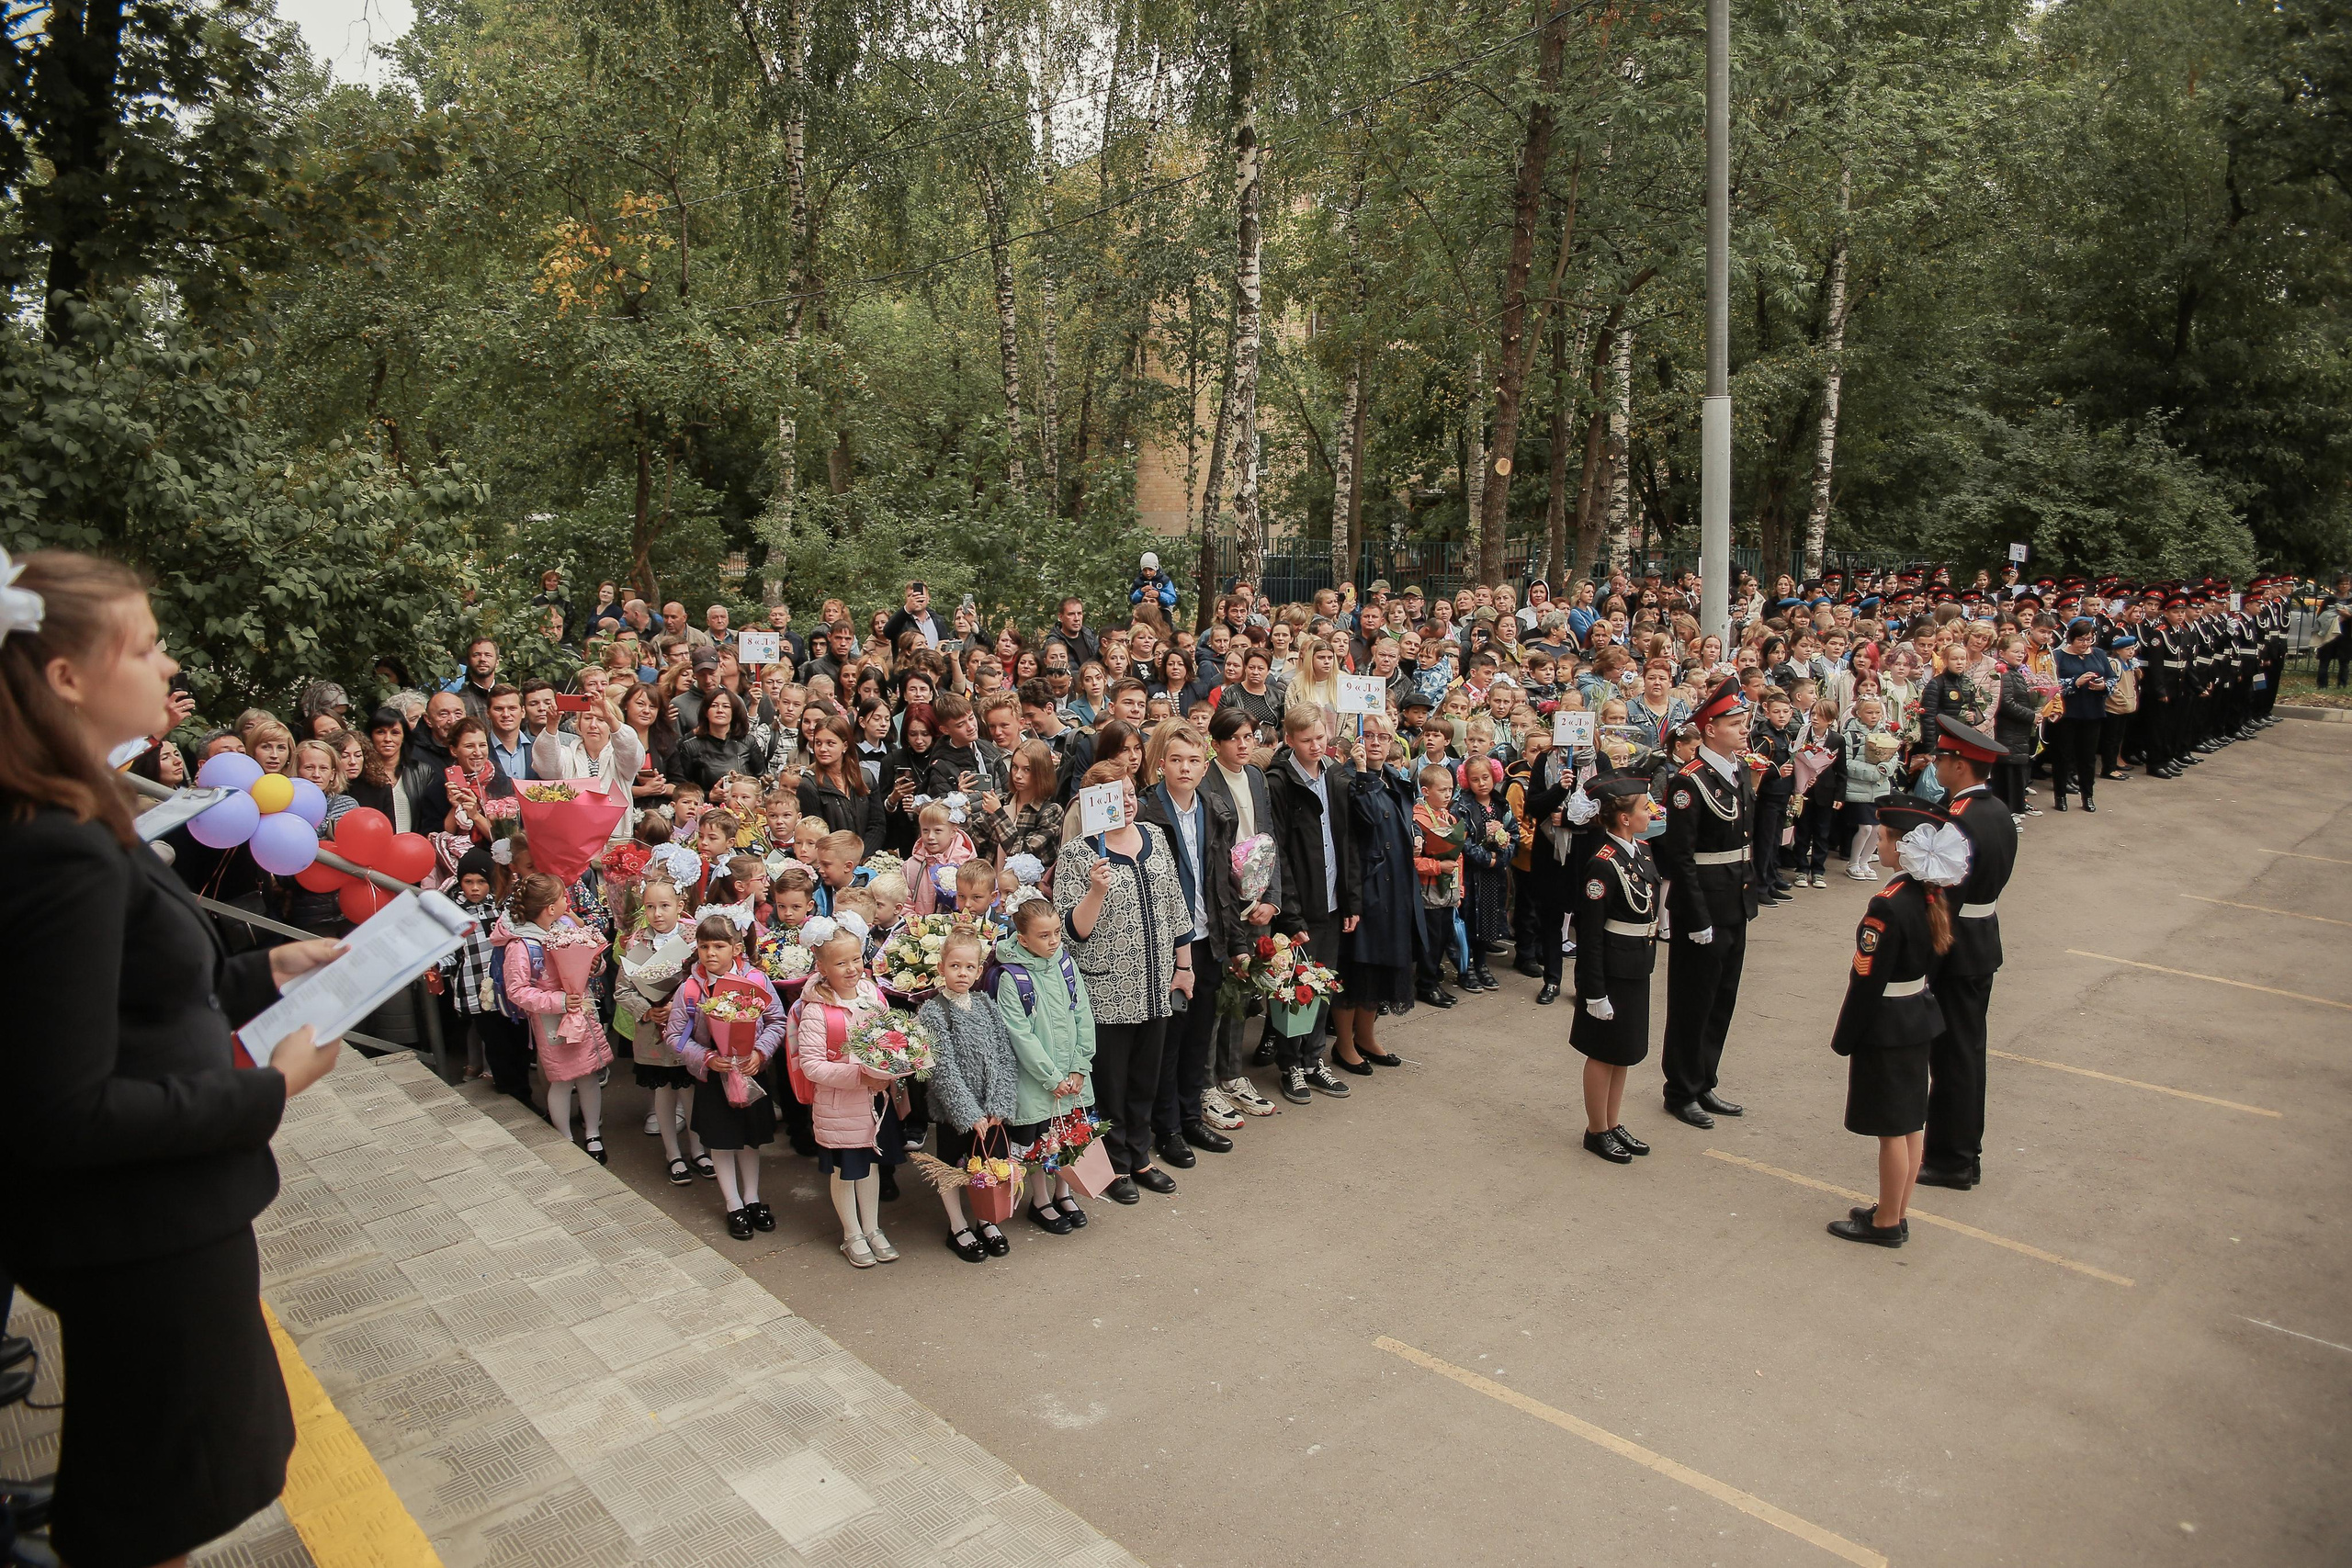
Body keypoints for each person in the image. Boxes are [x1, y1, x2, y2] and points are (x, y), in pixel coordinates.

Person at [0, 548, 346, 1568]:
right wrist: (265, 1088)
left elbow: (127, 999)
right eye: (145, 647)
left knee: (173, 1475)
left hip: (151, 1224)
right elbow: (59, 1110)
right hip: (140, 1229)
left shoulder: (72, 807)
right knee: (158, 1500)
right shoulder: (55, 842)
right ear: (66, 676)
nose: (166, 667)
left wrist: (265, 969)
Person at [1826, 795, 1972, 1247]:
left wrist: (1845, 1036)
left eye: (1885, 838)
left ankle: (1887, 1222)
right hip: (1917, 1016)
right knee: (1910, 1124)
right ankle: (1897, 1208)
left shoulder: (1887, 904)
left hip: (1887, 1024)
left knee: (1891, 1128)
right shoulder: (1930, 894)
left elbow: (1866, 979)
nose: (1880, 845)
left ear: (1902, 846)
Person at [1054, 763, 1192, 1201]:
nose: (1127, 803)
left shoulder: (1157, 839)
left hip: (1156, 983)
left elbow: (1176, 909)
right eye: (1115, 797)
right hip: (1108, 987)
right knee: (1110, 1081)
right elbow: (1073, 932)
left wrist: (1184, 966)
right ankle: (1114, 1164)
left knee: (1145, 1077)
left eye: (1131, 793)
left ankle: (1140, 1154)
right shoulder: (1078, 855)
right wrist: (1095, 889)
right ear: (1094, 806)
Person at [1136, 719, 1250, 1161]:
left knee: (1198, 1039)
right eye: (1177, 760)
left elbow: (1224, 883)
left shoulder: (1216, 808)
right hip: (1165, 947)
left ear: (1206, 766)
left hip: (1207, 940)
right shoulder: (1148, 812)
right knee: (1169, 1042)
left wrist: (1236, 943)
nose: (1186, 768)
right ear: (1161, 765)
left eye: (1194, 761)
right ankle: (1166, 1129)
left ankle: (1190, 1118)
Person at [1656, 680, 1758, 1130]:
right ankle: (1680, 1089)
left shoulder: (1736, 771)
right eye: (1735, 724)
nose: (1743, 730)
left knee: (1722, 998)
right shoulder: (1689, 781)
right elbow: (1679, 856)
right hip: (1704, 906)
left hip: (1735, 899)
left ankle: (1704, 1079)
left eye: (1743, 722)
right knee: (1693, 1000)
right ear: (1710, 728)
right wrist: (1695, 916)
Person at [1918, 717, 2016, 1191]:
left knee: (1954, 1057)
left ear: (1960, 764)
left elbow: (1943, 893)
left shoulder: (1959, 819)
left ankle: (1951, 1158)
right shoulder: (1995, 809)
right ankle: (1963, 1154)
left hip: (1956, 945)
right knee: (1968, 1051)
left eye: (1941, 758)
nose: (1936, 764)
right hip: (1983, 939)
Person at [673, 912, 792, 1241]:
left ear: (737, 948)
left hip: (750, 1072)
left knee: (750, 1139)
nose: (711, 953)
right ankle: (733, 1203)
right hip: (715, 1076)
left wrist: (760, 1053)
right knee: (722, 1141)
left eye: (719, 945)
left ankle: (752, 1198)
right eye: (703, 946)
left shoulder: (755, 980)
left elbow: (776, 1021)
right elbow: (676, 1037)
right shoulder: (690, 989)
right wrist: (707, 1058)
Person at [1262, 710, 1361, 1105]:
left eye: (1321, 737)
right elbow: (1279, 854)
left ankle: (1313, 1058)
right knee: (1293, 987)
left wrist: (1351, 898)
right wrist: (1291, 914)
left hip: (1333, 900)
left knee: (1323, 986)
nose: (1316, 746)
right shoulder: (1279, 782)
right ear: (1289, 739)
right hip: (1299, 906)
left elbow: (1346, 842)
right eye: (1307, 740)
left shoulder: (1335, 775)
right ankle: (1290, 1065)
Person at [993, 892, 1099, 1234]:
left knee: (1069, 1134)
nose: (1053, 941)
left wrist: (1080, 1065)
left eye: (1056, 932)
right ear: (1022, 939)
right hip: (1037, 1081)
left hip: (1073, 1073)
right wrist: (1052, 1078)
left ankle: (1064, 1192)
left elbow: (1083, 1012)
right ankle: (1039, 1201)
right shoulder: (1012, 977)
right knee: (1040, 1141)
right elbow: (1020, 1036)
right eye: (1043, 935)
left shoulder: (1065, 963)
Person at [1571, 774, 1663, 1164]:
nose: (1651, 812)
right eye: (1644, 808)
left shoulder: (1640, 851)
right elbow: (1590, 934)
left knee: (1624, 1051)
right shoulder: (1601, 865)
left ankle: (1612, 1121)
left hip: (1636, 965)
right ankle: (1596, 1129)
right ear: (1624, 818)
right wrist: (1594, 991)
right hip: (1609, 970)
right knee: (1602, 1051)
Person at [916, 924, 1022, 1262]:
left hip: (989, 1109)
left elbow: (1004, 1055)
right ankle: (957, 1225)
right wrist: (969, 1114)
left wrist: (999, 1104)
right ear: (941, 967)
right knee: (952, 1167)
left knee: (986, 1165)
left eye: (969, 967)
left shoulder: (985, 1005)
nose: (962, 973)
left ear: (979, 970)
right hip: (956, 1111)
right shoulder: (934, 1011)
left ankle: (984, 1218)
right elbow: (942, 1069)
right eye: (955, 966)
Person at [498, 874, 614, 1161]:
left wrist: (594, 964)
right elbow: (517, 990)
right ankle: (564, 1138)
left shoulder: (567, 927)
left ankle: (593, 1133)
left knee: (588, 1074)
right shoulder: (521, 945)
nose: (568, 901)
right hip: (552, 1018)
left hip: (580, 1011)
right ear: (550, 907)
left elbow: (586, 963)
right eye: (564, 897)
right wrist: (559, 1000)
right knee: (561, 1079)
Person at [1330, 714, 1419, 1071]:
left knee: (1382, 966)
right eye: (1369, 735)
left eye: (1383, 737)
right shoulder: (1348, 778)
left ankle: (1367, 1036)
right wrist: (1364, 772)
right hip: (1364, 884)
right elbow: (1366, 819)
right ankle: (1344, 1043)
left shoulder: (1397, 779)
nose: (1377, 743)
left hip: (1396, 887)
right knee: (1357, 968)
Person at [2051, 617, 2113, 812]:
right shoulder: (2058, 656)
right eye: (2081, 640)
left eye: (2089, 639)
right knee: (2063, 755)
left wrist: (2103, 686)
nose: (2086, 644)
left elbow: (2112, 677)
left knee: (2088, 758)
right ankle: (2060, 795)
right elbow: (2052, 683)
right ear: (2071, 639)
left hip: (2093, 712)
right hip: (2067, 713)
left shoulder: (2099, 654)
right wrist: (2075, 683)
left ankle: (2088, 795)